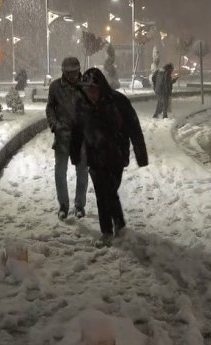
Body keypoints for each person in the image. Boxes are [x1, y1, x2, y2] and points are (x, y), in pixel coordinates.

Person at [70, 68, 148, 238]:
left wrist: (141, 154)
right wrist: (75, 152)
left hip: (116, 155)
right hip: (94, 155)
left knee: (110, 190)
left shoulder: (118, 101)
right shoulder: (82, 105)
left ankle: (118, 223)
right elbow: (76, 130)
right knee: (101, 192)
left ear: (100, 87)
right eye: (87, 89)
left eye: (93, 88)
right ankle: (107, 230)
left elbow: (134, 128)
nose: (90, 93)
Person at [46, 57, 89, 220]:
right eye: (69, 72)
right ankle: (63, 205)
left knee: (82, 171)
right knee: (60, 171)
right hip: (62, 135)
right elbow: (50, 107)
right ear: (63, 71)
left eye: (75, 72)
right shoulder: (56, 87)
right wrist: (55, 125)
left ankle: (80, 205)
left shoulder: (86, 85)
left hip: (81, 136)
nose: (72, 76)